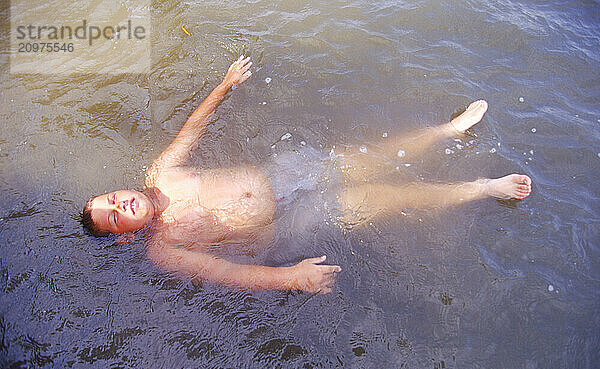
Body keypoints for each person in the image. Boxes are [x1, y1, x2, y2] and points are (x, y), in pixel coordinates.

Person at [82, 56, 532, 293]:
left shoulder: (161, 172)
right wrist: (291, 277)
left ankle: (446, 130)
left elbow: (191, 131)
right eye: (116, 218)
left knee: (372, 156)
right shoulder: (165, 250)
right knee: (396, 196)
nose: (121, 206)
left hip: (285, 172)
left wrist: (224, 86)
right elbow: (225, 273)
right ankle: (482, 188)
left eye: (112, 199)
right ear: (123, 237)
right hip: (291, 221)